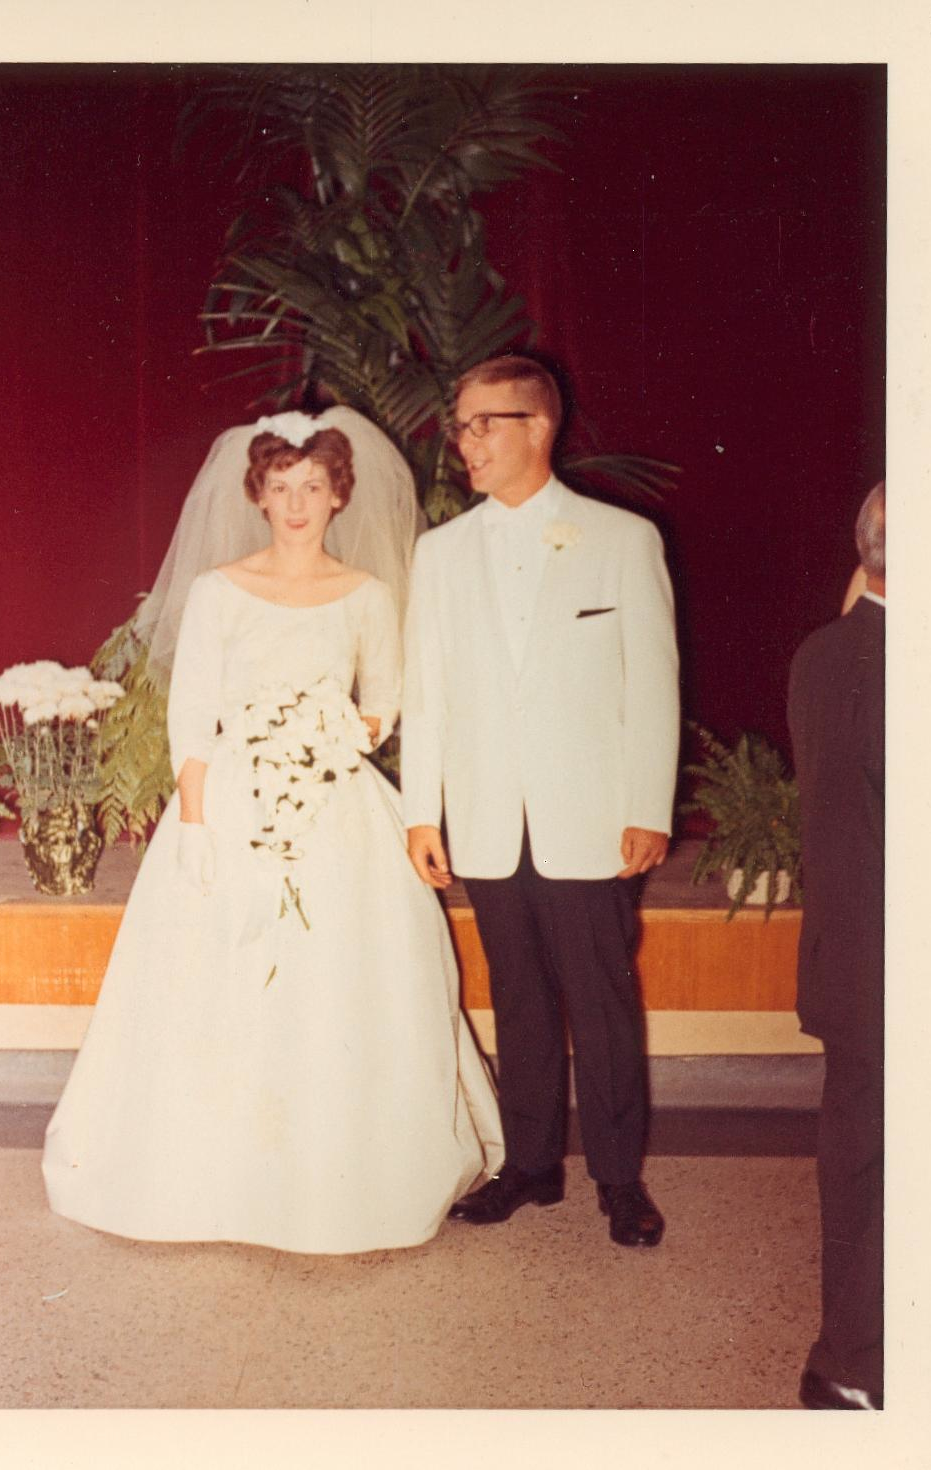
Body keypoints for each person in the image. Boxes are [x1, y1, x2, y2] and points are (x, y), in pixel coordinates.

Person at [42, 408, 503, 1254]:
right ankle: (211, 1176)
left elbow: (383, 701)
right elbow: (192, 710)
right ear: (258, 495)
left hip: (336, 802)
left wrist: (329, 735)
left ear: (338, 496)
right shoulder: (219, 590)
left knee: (336, 981)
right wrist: (194, 822)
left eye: (314, 487)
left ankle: (337, 1172)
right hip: (230, 799)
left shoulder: (367, 595)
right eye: (282, 487)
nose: (297, 503)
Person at [401, 355, 680, 1247]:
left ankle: (618, 1178)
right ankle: (529, 1168)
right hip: (486, 819)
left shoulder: (621, 538)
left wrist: (648, 805)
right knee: (516, 997)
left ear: (540, 426)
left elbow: (654, 685)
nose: (466, 441)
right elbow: (427, 690)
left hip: (590, 818)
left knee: (600, 999)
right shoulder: (439, 553)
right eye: (461, 425)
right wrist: (421, 813)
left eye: (485, 422)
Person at [787, 481, 885, 1409]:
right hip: (904, 971)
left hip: (849, 963)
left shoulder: (823, 653)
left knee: (857, 1157)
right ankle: (862, 1363)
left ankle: (841, 1356)